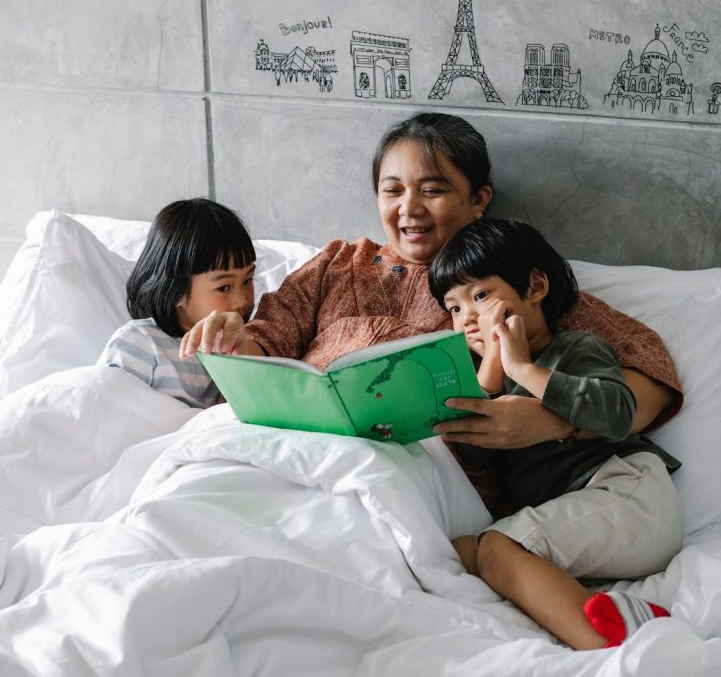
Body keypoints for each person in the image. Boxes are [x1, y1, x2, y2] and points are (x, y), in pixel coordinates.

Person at [182, 110, 682, 451]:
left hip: (420, 477)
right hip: (296, 451)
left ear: (479, 199)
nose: (409, 209)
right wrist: (230, 337)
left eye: (433, 190)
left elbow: (649, 371)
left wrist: (553, 423)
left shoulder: (507, 284)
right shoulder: (338, 264)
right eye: (392, 190)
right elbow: (267, 352)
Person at [428, 217, 682, 650]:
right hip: (585, 516)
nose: (467, 317)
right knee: (461, 552)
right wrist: (492, 368)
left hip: (628, 493)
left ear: (535, 287)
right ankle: (609, 611)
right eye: (454, 308)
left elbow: (617, 414)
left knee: (496, 549)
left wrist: (523, 369)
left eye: (481, 295)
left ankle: (617, 647)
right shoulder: (480, 376)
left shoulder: (576, 348)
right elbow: (477, 462)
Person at [98, 198, 256, 407]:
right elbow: (106, 410)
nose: (242, 300)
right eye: (224, 287)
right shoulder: (141, 342)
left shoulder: (242, 345)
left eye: (247, 281)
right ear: (175, 291)